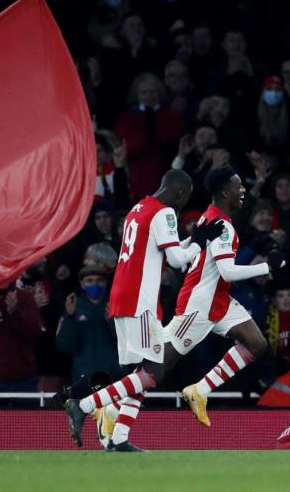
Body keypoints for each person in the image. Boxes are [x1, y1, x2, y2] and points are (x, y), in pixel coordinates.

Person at [62, 169, 222, 451]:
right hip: (140, 300)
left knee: (144, 371)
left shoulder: (140, 208)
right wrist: (199, 242)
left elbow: (161, 248)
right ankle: (84, 404)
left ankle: (120, 439)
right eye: (183, 200)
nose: (182, 206)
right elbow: (175, 260)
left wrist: (195, 238)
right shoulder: (165, 213)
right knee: (152, 374)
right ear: (180, 193)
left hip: (124, 296)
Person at [169, 165, 287, 427]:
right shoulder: (221, 225)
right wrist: (267, 267)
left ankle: (199, 391)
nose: (242, 190)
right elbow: (228, 271)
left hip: (219, 301)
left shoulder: (213, 217)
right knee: (158, 365)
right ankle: (109, 406)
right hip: (198, 305)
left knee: (257, 344)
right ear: (225, 192)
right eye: (238, 186)